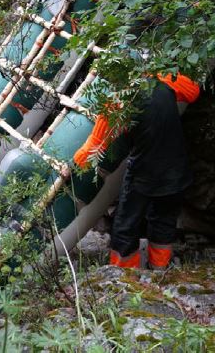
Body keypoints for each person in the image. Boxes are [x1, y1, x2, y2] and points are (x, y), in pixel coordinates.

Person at [73, 71, 200, 269]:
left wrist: (78, 161)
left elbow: (93, 147)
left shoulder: (121, 100)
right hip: (177, 172)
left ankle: (124, 274)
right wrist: (160, 74)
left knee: (125, 225)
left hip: (144, 174)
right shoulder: (165, 83)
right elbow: (193, 92)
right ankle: (159, 269)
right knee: (164, 221)